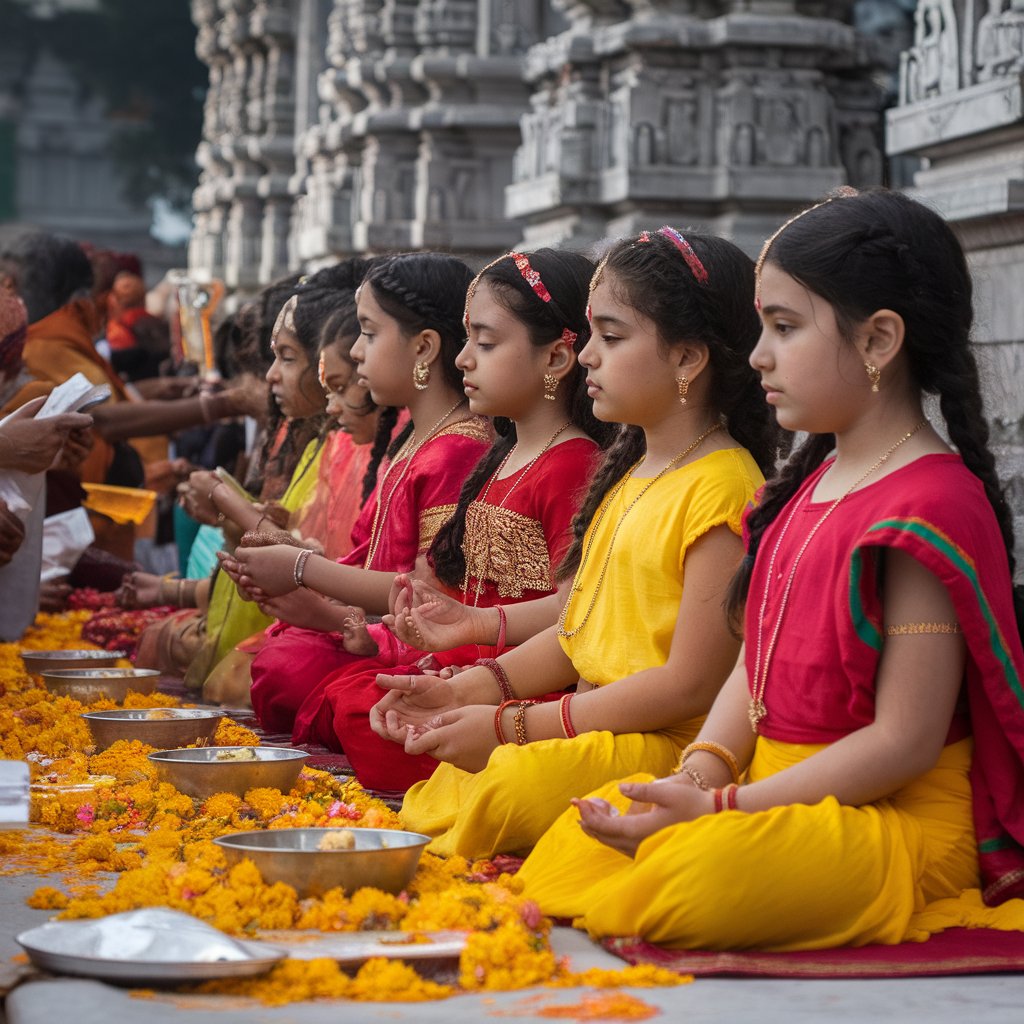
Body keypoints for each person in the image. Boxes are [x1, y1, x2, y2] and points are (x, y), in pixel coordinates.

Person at [516, 189, 1024, 951]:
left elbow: (904, 744)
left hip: (889, 823)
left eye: (784, 328)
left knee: (685, 879)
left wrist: (726, 810)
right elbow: (753, 664)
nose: (757, 357)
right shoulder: (803, 488)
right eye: (762, 329)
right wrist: (694, 779)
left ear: (880, 340)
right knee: (572, 845)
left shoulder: (931, 502)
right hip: (765, 795)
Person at [373, 228, 779, 857]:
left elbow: (690, 687)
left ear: (687, 359)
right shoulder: (629, 476)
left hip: (664, 745)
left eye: (610, 339)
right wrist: (461, 693)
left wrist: (515, 726)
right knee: (464, 776)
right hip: (591, 727)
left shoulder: (722, 487)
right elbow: (576, 638)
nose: (585, 356)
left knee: (505, 787)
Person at [284, 249, 612, 792]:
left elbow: (572, 614)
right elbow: (453, 589)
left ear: (556, 359)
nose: (463, 360)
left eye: (484, 343)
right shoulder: (500, 457)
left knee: (357, 709)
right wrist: (419, 635)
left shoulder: (572, 464)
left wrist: (472, 650)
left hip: (530, 682)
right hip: (475, 667)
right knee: (352, 700)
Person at [225, 253, 492, 731]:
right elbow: (369, 558)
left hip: (427, 646)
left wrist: (304, 571)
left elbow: (431, 591)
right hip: (379, 631)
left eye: (369, 332)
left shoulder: (456, 451)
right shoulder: (414, 442)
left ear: (424, 347)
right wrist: (297, 578)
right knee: (284, 663)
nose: (355, 352)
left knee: (302, 679)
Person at [131, 262, 368, 692]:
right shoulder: (320, 442)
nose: (269, 377)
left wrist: (229, 504)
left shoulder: (355, 447)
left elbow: (344, 584)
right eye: (269, 360)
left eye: (285, 358)